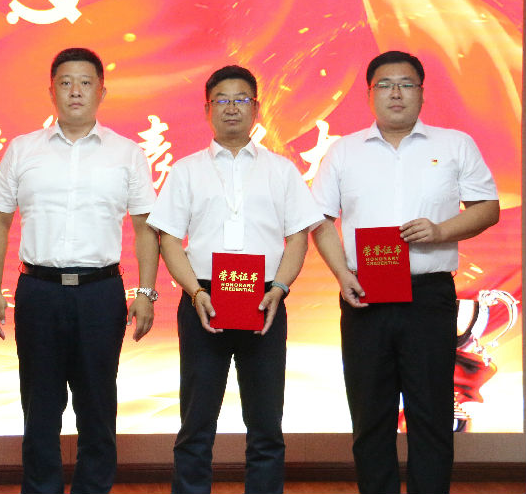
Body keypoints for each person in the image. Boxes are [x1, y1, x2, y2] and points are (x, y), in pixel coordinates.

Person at [310, 51, 499, 494]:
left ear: (421, 92)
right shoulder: (344, 151)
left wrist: (440, 231)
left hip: (428, 296)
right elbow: (319, 219)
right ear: (369, 94)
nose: (396, 93)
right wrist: (342, 275)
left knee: (430, 413)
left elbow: (487, 208)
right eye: (385, 84)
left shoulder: (454, 145)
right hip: (365, 294)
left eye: (406, 84)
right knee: (370, 415)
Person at [0, 47, 159, 494]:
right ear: (51, 91)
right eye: (65, 82)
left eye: (84, 82)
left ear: (102, 91)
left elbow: (145, 228)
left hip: (101, 293)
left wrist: (146, 293)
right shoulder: (23, 150)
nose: (75, 91)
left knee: (97, 407)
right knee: (39, 407)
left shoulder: (126, 153)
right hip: (38, 291)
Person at [148, 65, 323, 494]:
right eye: (222, 100)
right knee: (196, 423)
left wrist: (279, 289)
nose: (231, 108)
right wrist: (194, 292)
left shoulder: (281, 170)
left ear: (256, 108)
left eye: (241, 99)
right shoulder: (186, 170)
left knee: (266, 425)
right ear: (207, 109)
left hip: (265, 300)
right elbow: (168, 238)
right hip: (204, 299)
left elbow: (298, 237)